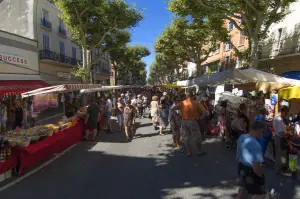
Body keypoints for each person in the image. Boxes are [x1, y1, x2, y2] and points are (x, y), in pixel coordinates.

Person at [236, 121, 267, 199]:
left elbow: (238, 153)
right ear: (261, 132)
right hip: (250, 171)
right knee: (260, 195)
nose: (262, 136)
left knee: (242, 188)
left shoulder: (242, 137)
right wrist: (261, 176)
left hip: (241, 167)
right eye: (263, 134)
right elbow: (255, 166)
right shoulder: (256, 145)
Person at [171, 91, 208, 157]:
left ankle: (188, 152)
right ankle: (199, 151)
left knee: (186, 137)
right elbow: (205, 112)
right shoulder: (196, 103)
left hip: (184, 121)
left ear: (186, 96)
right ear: (193, 96)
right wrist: (201, 118)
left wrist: (178, 115)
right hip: (193, 121)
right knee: (196, 137)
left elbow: (172, 109)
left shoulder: (182, 103)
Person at [273, 106, 289, 174]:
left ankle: (279, 168)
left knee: (279, 154)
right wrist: (288, 134)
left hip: (278, 137)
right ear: (283, 112)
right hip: (280, 138)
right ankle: (278, 170)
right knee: (279, 155)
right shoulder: (279, 119)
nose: (286, 115)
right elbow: (280, 133)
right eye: (286, 113)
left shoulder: (276, 117)